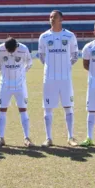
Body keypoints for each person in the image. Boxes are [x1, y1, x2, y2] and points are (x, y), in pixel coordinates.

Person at [38, 10, 79, 147]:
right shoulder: (44, 37)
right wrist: (52, 67)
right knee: (47, 108)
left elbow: (74, 55)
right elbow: (42, 56)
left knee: (68, 106)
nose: (51, 19)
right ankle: (48, 138)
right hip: (49, 78)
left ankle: (71, 137)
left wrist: (66, 66)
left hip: (65, 78)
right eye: (50, 16)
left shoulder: (69, 35)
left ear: (61, 19)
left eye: (54, 17)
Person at [0, 37, 34, 147]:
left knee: (23, 109)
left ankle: (27, 138)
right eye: (8, 51)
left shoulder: (24, 49)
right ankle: (1, 138)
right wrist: (6, 74)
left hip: (20, 85)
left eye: (12, 50)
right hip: (5, 85)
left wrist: (22, 73)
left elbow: (29, 63)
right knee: (2, 109)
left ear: (16, 46)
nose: (10, 53)